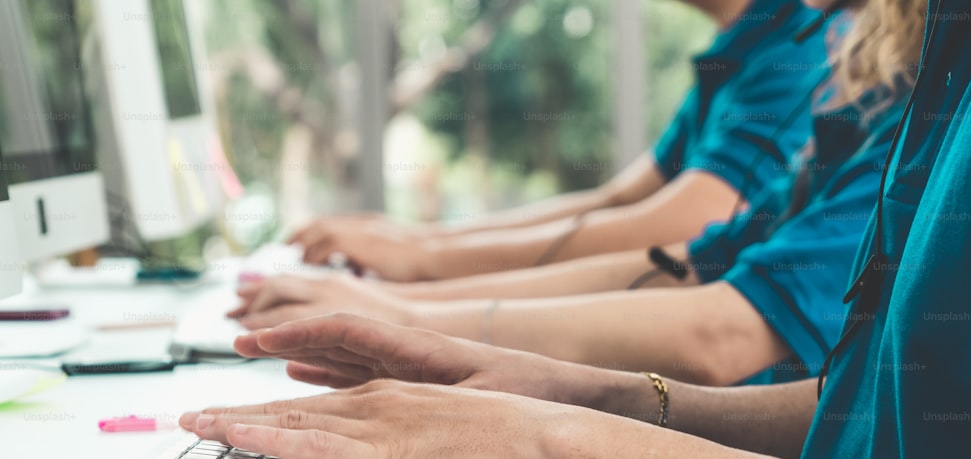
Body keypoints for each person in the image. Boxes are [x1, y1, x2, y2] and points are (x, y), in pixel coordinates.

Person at [181, 0, 971, 459]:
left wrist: (551, 438)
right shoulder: (951, 54)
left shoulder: (844, 61)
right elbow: (871, 415)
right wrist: (580, 392)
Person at [229, 9, 920, 387]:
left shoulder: (810, 61)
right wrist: (416, 271)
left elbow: (710, 303)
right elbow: (672, 246)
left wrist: (420, 296)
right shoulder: (820, 72)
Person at [286, 0, 828, 281]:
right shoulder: (743, 48)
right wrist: (419, 244)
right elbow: (616, 201)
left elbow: (685, 225)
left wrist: (429, 261)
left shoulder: (798, 49)